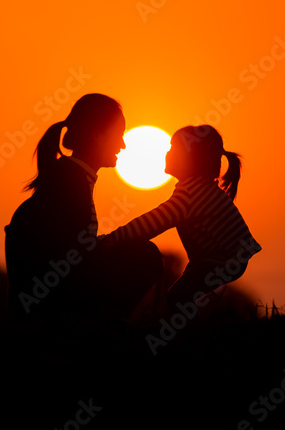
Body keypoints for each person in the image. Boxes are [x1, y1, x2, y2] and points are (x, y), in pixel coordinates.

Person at [4, 93, 163, 322]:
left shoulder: (68, 179)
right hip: (49, 309)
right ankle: (102, 329)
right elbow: (73, 257)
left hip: (40, 303)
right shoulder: (69, 186)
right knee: (145, 256)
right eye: (118, 135)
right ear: (97, 135)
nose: (123, 145)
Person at [101, 125, 261, 311]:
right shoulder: (200, 189)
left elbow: (152, 222)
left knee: (177, 297)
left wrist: (113, 238)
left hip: (221, 258)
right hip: (226, 256)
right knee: (183, 294)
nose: (167, 153)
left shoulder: (191, 195)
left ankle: (179, 333)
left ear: (190, 158)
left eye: (172, 148)